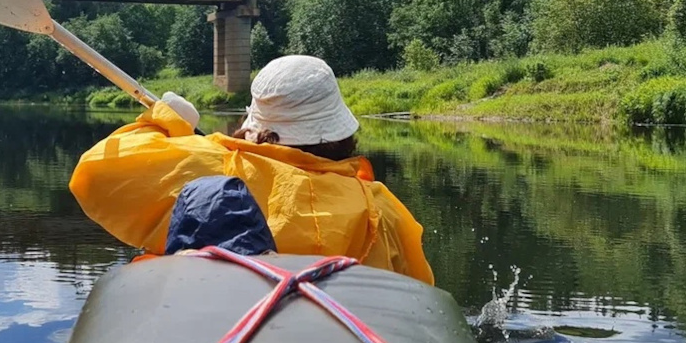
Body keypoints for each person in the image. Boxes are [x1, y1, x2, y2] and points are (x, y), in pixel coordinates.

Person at [68, 55, 433, 284]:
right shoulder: (381, 208)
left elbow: (94, 173)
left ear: (255, 125)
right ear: (338, 132)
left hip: (212, 336)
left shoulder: (209, 166)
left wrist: (166, 123)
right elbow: (421, 294)